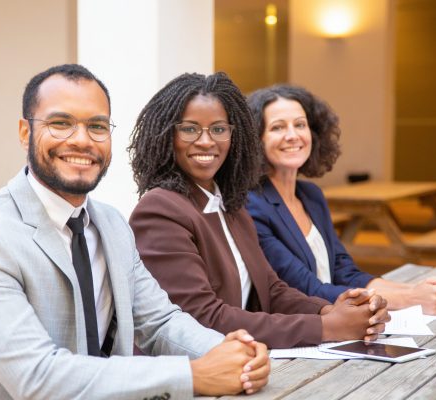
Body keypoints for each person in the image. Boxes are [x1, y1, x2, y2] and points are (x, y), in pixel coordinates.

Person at [0, 64, 272, 400]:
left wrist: (232, 352)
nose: (81, 140)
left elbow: (161, 322)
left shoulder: (111, 225)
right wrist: (192, 375)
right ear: (25, 132)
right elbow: (38, 377)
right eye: (61, 123)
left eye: (96, 126)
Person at [128, 72, 389, 350]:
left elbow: (270, 288)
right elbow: (202, 317)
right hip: (193, 377)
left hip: (242, 362)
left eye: (218, 129)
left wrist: (331, 310)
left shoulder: (230, 204)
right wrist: (325, 327)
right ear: (167, 135)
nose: (206, 141)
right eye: (190, 129)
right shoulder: (160, 209)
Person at [245, 84, 436, 316]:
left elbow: (345, 272)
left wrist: (421, 290)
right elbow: (307, 288)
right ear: (256, 139)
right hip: (302, 328)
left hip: (338, 318)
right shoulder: (252, 205)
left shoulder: (311, 195)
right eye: (277, 127)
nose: (292, 135)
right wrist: (410, 299)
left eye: (300, 124)